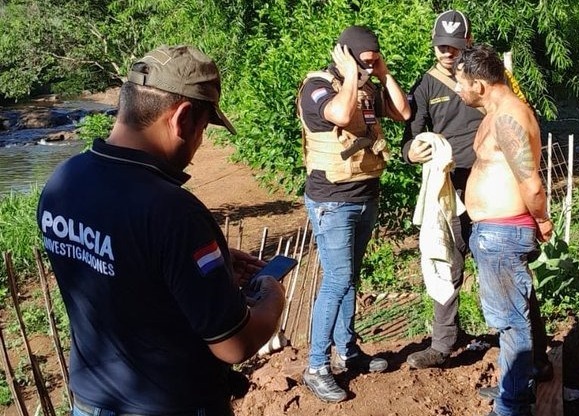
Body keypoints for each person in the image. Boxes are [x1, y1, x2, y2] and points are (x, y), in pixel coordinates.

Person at [37, 45, 286, 416]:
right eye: (203, 128)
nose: (199, 143)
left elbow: (118, 272)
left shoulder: (63, 182)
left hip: (90, 403)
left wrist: (193, 269)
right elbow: (233, 346)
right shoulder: (173, 212)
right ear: (183, 119)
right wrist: (272, 294)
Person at [401, 10, 553, 384]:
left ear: (467, 46)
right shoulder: (428, 85)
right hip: (452, 190)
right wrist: (411, 152)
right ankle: (444, 341)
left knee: (510, 281)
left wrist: (540, 216)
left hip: (500, 205)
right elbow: (410, 132)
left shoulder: (492, 89)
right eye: (441, 47)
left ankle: (531, 360)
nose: (447, 54)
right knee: (446, 264)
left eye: (454, 47)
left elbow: (523, 153)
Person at [297, 25, 411, 402]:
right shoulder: (317, 87)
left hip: (365, 195)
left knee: (350, 278)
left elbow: (403, 112)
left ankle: (348, 351)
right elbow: (342, 116)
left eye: (372, 61)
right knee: (337, 279)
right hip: (332, 200)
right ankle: (316, 365)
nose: (367, 68)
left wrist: (383, 74)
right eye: (363, 62)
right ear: (343, 56)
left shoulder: (367, 87)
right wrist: (349, 75)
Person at [454, 43, 554, 416]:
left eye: (460, 82)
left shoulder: (511, 116)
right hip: (493, 233)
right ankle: (516, 387)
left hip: (504, 233)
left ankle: (511, 406)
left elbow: (531, 183)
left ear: (479, 84)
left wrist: (542, 220)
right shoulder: (494, 112)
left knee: (511, 321)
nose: (457, 89)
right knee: (515, 314)